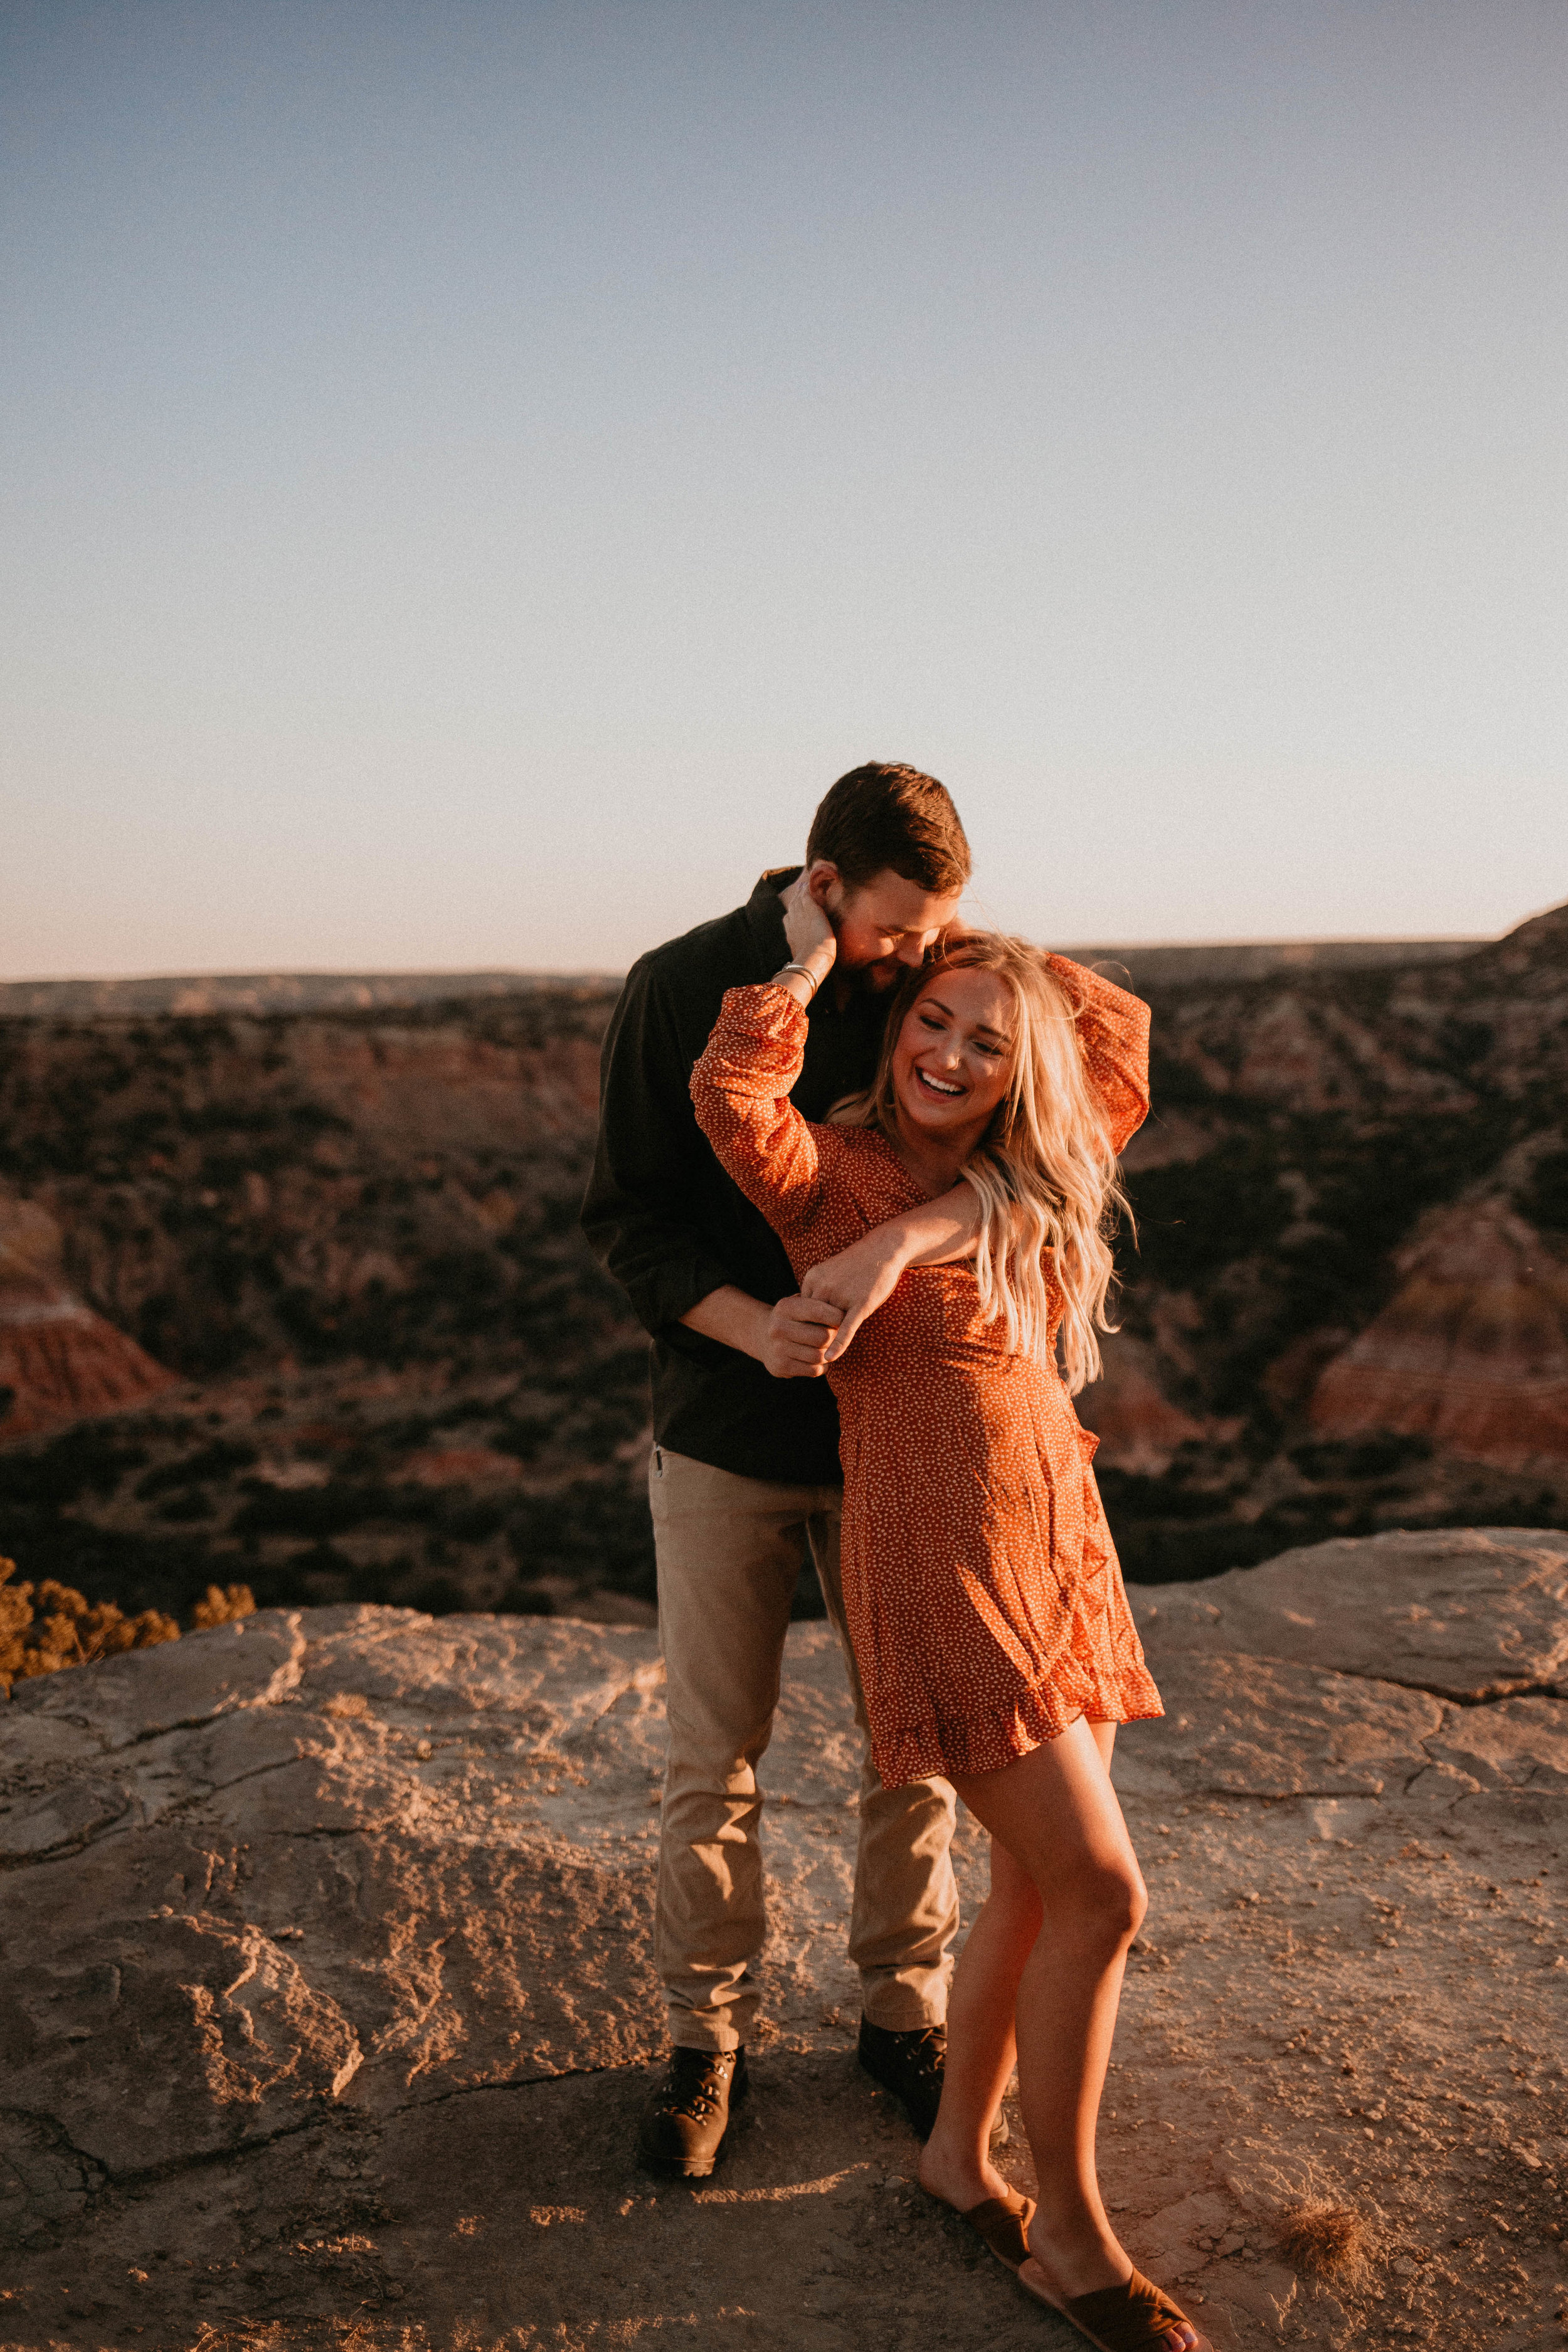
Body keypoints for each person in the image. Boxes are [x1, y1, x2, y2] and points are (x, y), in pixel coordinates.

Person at [688, 908, 1209, 2352]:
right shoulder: (826, 1175)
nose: (950, 1051)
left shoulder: (1022, 1178)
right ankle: (1073, 2235)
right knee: (1101, 1892)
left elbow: (1112, 1039)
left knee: (1034, 1894)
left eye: (985, 1040)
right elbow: (731, 1095)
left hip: (1059, 1543)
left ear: (1013, 1070)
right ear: (894, 1023)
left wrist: (965, 947)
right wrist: (823, 958)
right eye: (930, 1020)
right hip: (941, 1563)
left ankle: (951, 2157)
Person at [581, 762, 987, 2178]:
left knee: (912, 1745)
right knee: (713, 1760)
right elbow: (628, 1224)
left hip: (897, 1434)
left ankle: (903, 2018)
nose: (914, 957)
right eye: (889, 928)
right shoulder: (678, 982)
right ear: (821, 886)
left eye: (937, 927)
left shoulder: (936, 985)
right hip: (721, 1437)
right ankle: (706, 2048)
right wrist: (761, 1332)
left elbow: (1059, 1109)